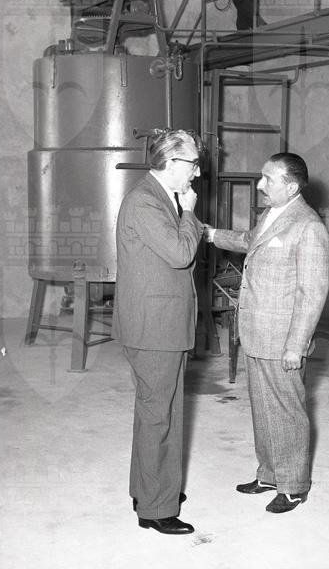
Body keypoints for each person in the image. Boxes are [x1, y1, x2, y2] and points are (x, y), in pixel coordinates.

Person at [204, 152, 329, 513]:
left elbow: (312, 293)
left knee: (287, 412)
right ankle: (270, 474)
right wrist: (211, 234)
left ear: (291, 187)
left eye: (268, 179)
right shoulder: (271, 215)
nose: (260, 185)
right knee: (263, 408)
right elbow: (250, 240)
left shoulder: (308, 227)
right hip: (257, 331)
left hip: (282, 338)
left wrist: (296, 345)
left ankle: (294, 486)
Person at [112, 129, 204, 535]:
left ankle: (149, 489)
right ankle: (156, 510)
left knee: (157, 411)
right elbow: (180, 253)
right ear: (171, 162)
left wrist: (183, 212)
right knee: (159, 417)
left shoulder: (158, 197)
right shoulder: (146, 202)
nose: (197, 173)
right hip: (154, 328)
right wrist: (191, 215)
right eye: (193, 164)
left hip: (161, 324)